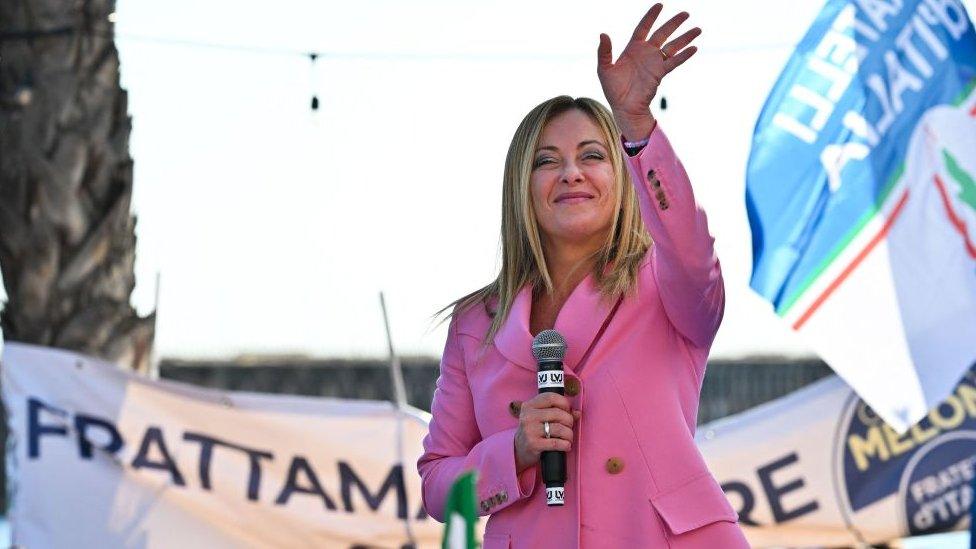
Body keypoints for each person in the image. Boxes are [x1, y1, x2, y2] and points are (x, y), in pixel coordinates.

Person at [417, 4, 748, 548]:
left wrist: (636, 124)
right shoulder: (476, 320)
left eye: (592, 155)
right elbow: (437, 484)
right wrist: (515, 452)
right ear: (522, 186)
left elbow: (692, 254)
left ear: (621, 174)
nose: (571, 172)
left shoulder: (667, 283)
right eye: (548, 161)